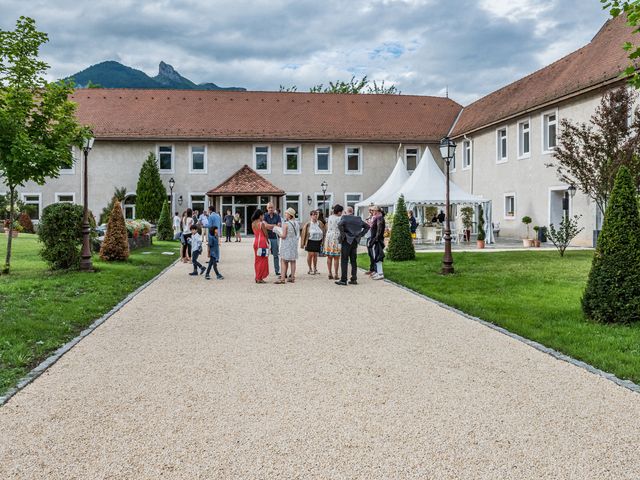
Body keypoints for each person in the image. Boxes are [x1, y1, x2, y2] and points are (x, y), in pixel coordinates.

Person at [336, 206, 369, 286]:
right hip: (355, 241)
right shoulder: (358, 218)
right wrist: (360, 235)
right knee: (353, 260)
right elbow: (367, 226)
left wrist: (343, 234)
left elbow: (339, 224)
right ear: (352, 211)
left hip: (347, 240)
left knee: (344, 260)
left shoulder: (345, 217)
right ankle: (354, 279)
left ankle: (344, 280)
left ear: (346, 212)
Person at [274, 207, 300, 284]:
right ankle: (292, 277)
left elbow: (284, 236)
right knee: (293, 260)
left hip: (286, 243)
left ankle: (282, 278)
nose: (285, 214)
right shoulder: (296, 223)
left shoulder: (286, 224)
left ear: (289, 215)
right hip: (294, 243)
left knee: (283, 260)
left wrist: (278, 232)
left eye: (286, 213)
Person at [300, 210, 325, 275]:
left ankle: (315, 268)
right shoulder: (308, 224)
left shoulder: (320, 223)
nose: (315, 216)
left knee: (315, 255)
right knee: (310, 255)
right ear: (311, 216)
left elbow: (323, 232)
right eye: (314, 214)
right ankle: (310, 268)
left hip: (318, 241)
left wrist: (323, 241)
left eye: (316, 214)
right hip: (310, 241)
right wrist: (302, 244)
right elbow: (303, 234)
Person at [324, 204, 343, 279]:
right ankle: (336, 274)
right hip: (336, 237)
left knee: (329, 256)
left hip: (329, 237)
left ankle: (329, 273)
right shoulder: (340, 218)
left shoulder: (330, 217)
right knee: (336, 257)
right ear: (338, 212)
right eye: (341, 211)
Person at [263, 202, 281, 276]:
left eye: (272, 207)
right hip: (266, 238)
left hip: (274, 238)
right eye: (269, 208)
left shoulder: (277, 216)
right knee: (265, 256)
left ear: (274, 208)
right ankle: (264, 271)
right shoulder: (264, 216)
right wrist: (274, 225)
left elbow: (278, 226)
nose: (270, 209)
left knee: (276, 255)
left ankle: (277, 271)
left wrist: (269, 226)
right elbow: (265, 226)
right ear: (267, 208)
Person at [251, 209, 270, 283]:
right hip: (262, 242)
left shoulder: (253, 223)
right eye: (263, 215)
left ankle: (257, 276)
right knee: (263, 260)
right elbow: (266, 234)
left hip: (256, 242)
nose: (263, 217)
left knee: (257, 260)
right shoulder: (261, 224)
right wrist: (268, 241)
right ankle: (260, 278)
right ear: (260, 216)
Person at [369, 206, 386, 280]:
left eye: (373, 211)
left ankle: (380, 273)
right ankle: (378, 272)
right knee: (376, 256)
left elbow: (379, 231)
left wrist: (375, 240)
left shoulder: (379, 218)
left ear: (377, 211)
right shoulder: (377, 218)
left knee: (378, 256)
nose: (372, 212)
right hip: (376, 240)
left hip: (377, 240)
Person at [365, 207, 376, 275]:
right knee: (370, 254)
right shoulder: (370, 217)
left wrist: (368, 222)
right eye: (369, 210)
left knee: (373, 254)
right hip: (368, 236)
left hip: (372, 237)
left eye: (371, 210)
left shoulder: (375, 218)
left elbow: (372, 226)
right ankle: (371, 269)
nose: (370, 211)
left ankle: (374, 269)